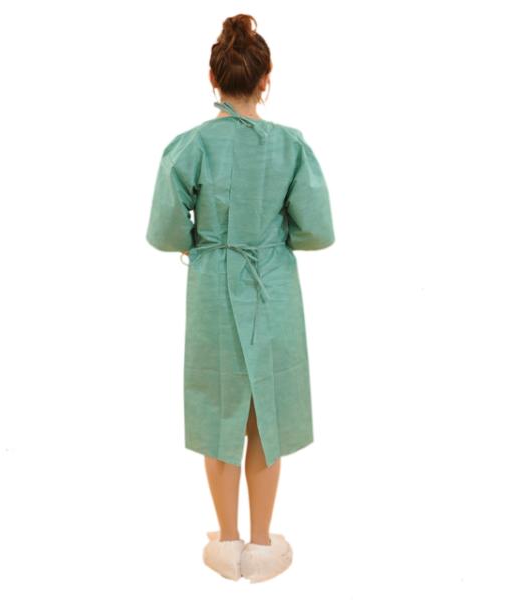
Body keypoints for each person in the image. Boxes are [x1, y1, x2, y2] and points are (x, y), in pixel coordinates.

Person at [145, 13, 336, 583]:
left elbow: (164, 231)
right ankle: (262, 542)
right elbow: (318, 231)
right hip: (271, 285)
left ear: (213, 78)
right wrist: (272, 238)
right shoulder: (291, 147)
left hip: (212, 285)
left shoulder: (191, 146)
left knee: (219, 405)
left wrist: (203, 241)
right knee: (263, 409)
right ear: (265, 79)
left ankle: (226, 541)